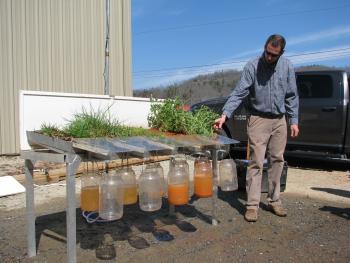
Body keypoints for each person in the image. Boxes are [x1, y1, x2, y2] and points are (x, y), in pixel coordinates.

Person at [214, 34, 299, 222]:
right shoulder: (252, 66)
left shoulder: (287, 66)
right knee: (256, 161)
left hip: (279, 120)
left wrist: (293, 120)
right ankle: (252, 205)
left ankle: (274, 200)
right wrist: (225, 114)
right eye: (267, 52)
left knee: (277, 159)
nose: (269, 57)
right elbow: (239, 92)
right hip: (258, 119)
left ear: (281, 53)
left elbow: (292, 95)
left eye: (273, 55)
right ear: (265, 47)